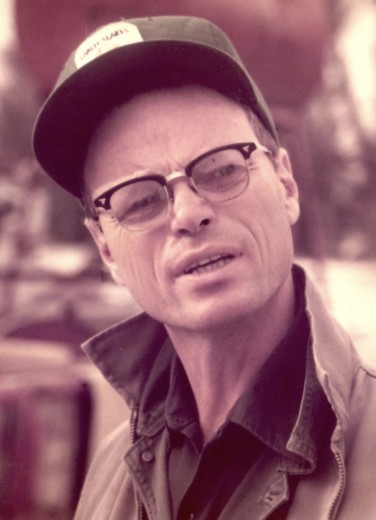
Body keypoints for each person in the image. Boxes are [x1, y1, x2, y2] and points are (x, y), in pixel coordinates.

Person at [32, 15, 376, 520]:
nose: (188, 214)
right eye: (139, 201)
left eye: (221, 170)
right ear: (106, 248)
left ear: (285, 185)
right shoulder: (109, 470)